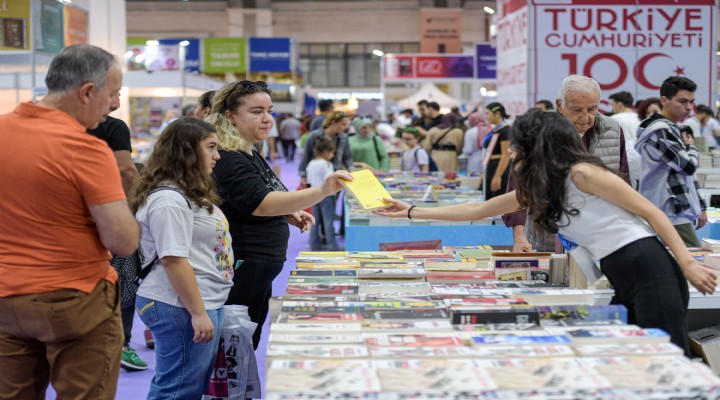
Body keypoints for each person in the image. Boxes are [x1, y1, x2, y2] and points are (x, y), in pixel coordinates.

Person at [375, 109, 717, 355]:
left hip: (649, 268)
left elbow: (652, 212)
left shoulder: (583, 172)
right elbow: (477, 210)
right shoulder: (542, 184)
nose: (510, 150)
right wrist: (410, 210)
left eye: (516, 144)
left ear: (535, 144)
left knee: (667, 357)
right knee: (627, 353)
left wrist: (687, 264)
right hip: (622, 272)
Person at [0, 44, 140, 400]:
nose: (115, 105)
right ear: (87, 92)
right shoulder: (85, 149)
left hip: (6, 296)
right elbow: (123, 241)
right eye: (113, 94)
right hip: (75, 297)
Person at [206, 81, 352, 348]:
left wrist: (288, 213)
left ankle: (236, 391)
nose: (267, 119)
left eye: (269, 111)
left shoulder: (249, 151)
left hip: (258, 267)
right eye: (256, 111)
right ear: (230, 116)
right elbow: (260, 203)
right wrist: (322, 190)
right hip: (243, 265)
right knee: (233, 350)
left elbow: (256, 196)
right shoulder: (228, 157)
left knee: (244, 344)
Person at [130, 118, 232, 399]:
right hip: (179, 304)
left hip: (195, 300)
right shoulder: (169, 200)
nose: (217, 155)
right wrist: (198, 313)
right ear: (186, 150)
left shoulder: (186, 192)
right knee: (178, 388)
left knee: (187, 385)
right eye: (211, 147)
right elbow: (173, 260)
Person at [505, 75, 629, 252]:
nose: (585, 117)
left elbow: (624, 183)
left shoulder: (613, 130)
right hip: (549, 237)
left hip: (600, 237)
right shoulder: (536, 131)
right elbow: (517, 188)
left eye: (593, 109)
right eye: (577, 109)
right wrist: (519, 236)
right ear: (560, 105)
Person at [88, 105, 146, 371]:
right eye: (114, 91)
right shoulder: (114, 127)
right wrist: (139, 208)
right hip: (111, 213)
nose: (118, 97)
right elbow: (126, 170)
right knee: (124, 277)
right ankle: (121, 344)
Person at [635, 76, 707, 248]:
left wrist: (701, 205)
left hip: (673, 207)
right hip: (670, 208)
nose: (688, 107)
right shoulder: (660, 131)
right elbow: (688, 167)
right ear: (664, 100)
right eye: (682, 101)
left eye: (691, 102)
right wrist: (691, 147)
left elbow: (686, 175)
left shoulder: (671, 128)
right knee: (691, 262)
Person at [299, 110, 355, 185]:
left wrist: (351, 168)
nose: (345, 128)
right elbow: (306, 155)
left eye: (347, 125)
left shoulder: (343, 138)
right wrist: (303, 175)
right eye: (343, 124)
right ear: (333, 122)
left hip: (336, 175)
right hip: (316, 175)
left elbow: (347, 157)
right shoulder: (314, 135)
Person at [307, 137, 340, 251]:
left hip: (314, 195)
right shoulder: (326, 164)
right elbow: (329, 179)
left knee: (314, 221)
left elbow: (309, 180)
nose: (333, 155)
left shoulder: (311, 163)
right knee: (328, 221)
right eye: (332, 152)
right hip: (327, 196)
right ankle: (332, 246)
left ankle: (314, 245)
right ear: (326, 152)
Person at [609, 90, 642, 186]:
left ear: (619, 105)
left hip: (623, 162)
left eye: (612, 104)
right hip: (641, 161)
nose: (612, 108)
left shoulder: (615, 119)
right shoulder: (640, 118)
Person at [483, 102, 512, 199]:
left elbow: (505, 155)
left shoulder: (505, 130)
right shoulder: (495, 130)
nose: (486, 116)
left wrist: (497, 176)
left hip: (499, 168)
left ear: (497, 114)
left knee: (496, 197)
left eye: (488, 113)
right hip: (491, 167)